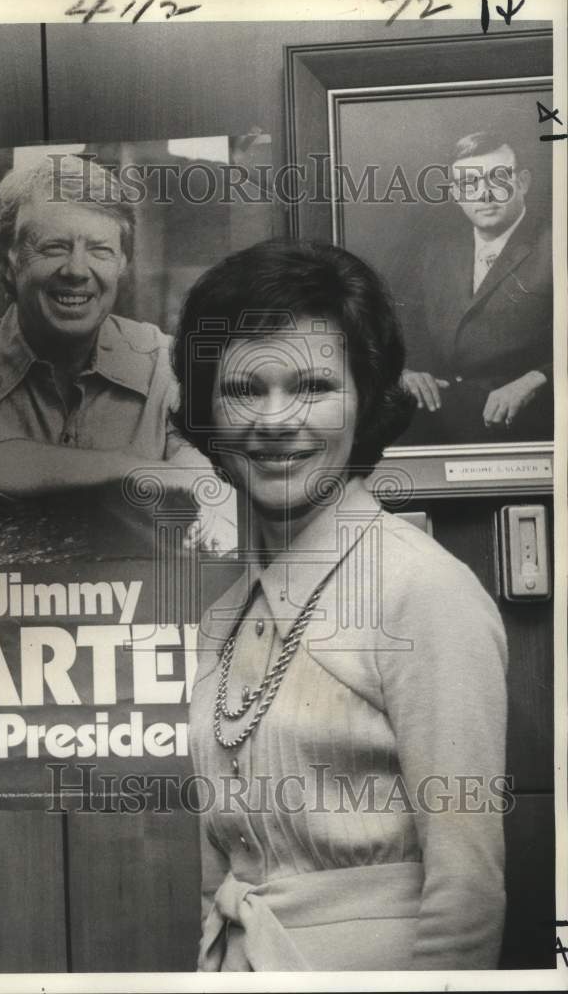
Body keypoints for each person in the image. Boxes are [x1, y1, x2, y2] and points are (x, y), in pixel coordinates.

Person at [172, 238, 508, 971]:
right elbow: (218, 883)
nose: (275, 419)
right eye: (242, 391)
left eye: (313, 386)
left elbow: (468, 900)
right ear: (207, 415)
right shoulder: (222, 619)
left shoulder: (424, 593)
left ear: (367, 399)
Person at [0, 154, 234, 548]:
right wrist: (142, 473)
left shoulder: (167, 362)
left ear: (122, 264)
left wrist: (194, 475)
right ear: (9, 262)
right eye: (54, 247)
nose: (76, 269)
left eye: (100, 250)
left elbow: (214, 477)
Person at [398, 130, 552, 444]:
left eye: (498, 179)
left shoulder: (556, 244)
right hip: (439, 421)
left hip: (530, 426)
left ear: (522, 182)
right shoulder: (436, 249)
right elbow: (400, 327)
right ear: (455, 193)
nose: (484, 194)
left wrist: (537, 379)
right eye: (470, 184)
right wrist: (404, 372)